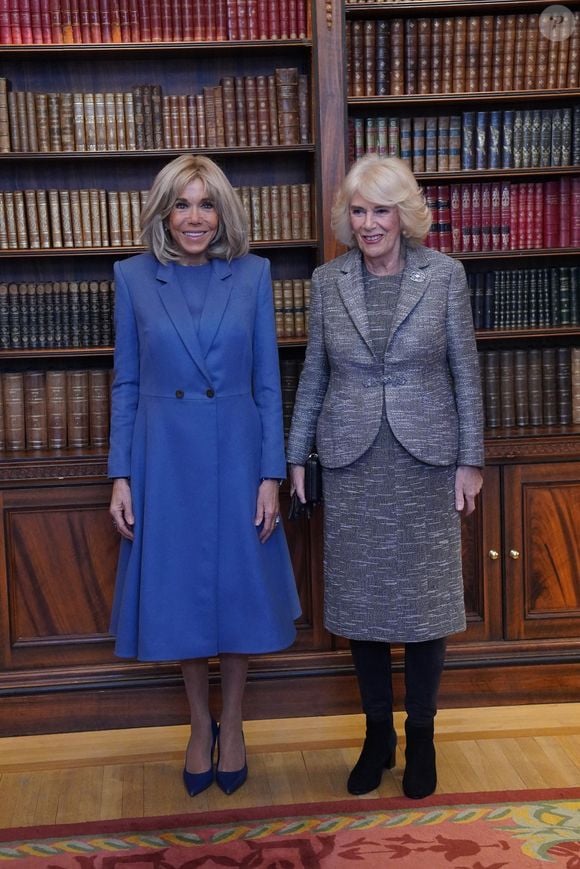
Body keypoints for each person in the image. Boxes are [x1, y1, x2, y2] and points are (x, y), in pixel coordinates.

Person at [287, 154, 484, 800]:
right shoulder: (327, 281)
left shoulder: (445, 276)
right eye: (358, 210)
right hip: (351, 460)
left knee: (426, 605)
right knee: (362, 605)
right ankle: (378, 735)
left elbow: (466, 373)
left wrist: (470, 460)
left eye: (380, 210)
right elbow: (314, 373)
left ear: (404, 215)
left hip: (425, 459)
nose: (367, 223)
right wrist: (296, 456)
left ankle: (421, 733)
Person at [108, 154, 301, 798]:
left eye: (206, 204)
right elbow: (128, 382)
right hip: (165, 458)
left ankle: (236, 722)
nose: (195, 217)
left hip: (239, 453)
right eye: (183, 204)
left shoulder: (253, 276)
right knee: (184, 592)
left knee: (239, 589)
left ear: (224, 213)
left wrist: (270, 473)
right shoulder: (133, 278)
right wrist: (121, 476)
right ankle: (198, 725)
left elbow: (269, 381)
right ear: (164, 211)